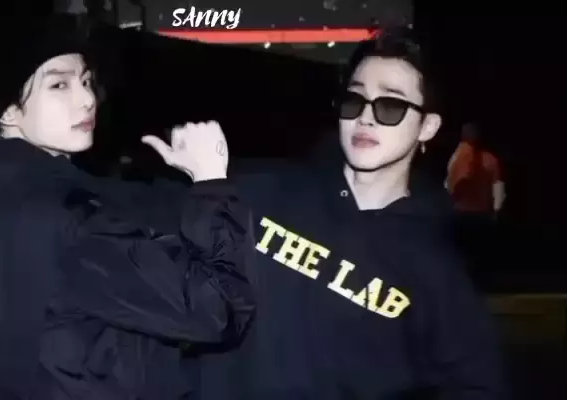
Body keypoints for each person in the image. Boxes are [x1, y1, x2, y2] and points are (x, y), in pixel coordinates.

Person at [0, 16, 254, 400]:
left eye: (86, 81)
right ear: (7, 110)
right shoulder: (70, 223)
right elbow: (217, 311)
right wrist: (211, 180)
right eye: (59, 84)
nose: (87, 99)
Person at [188, 28, 504, 399]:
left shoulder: (436, 269)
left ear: (427, 127)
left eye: (390, 105)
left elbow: (477, 385)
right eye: (355, 100)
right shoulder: (262, 189)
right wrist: (205, 186)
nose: (365, 117)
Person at [446, 122, 505, 216]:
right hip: (481, 212)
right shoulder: (491, 159)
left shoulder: (458, 158)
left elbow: (450, 185)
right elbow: (498, 188)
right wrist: (497, 211)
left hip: (463, 212)